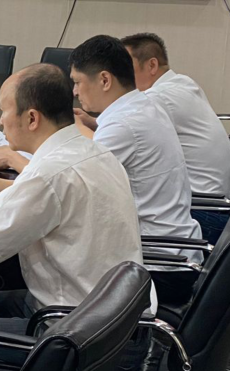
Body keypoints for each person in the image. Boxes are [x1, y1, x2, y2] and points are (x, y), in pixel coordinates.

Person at [0, 64, 145, 331]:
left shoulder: (48, 174)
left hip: (75, 329)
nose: (1, 121)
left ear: (32, 118)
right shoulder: (95, 151)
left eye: (4, 110)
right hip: (118, 313)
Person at [69, 35, 202, 240]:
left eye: (77, 82)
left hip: (154, 250)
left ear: (105, 80)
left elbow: (69, 186)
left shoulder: (123, 124)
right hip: (173, 237)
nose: (75, 92)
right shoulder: (143, 105)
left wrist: (16, 153)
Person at [122, 32, 230, 242]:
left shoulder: (158, 97)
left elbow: (118, 137)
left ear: (152, 65)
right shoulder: (182, 82)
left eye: (125, 68)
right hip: (219, 205)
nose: (121, 76)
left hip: (201, 212)